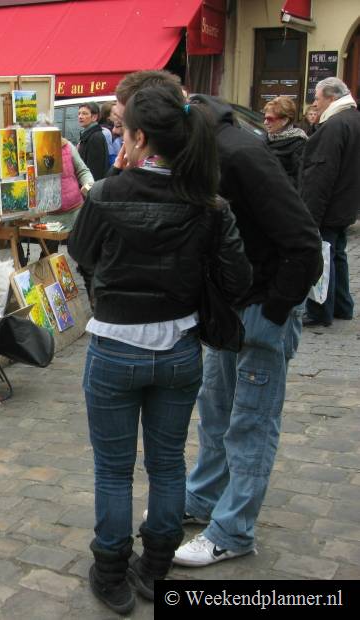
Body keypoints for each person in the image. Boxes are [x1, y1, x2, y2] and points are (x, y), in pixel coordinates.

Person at [68, 85, 252, 614]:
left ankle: (111, 570)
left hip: (115, 347)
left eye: (124, 131)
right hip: (178, 348)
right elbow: (237, 278)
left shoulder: (106, 193)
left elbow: (81, 254)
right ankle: (154, 567)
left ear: (139, 138)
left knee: (113, 469)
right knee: (168, 465)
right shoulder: (208, 204)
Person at [173, 93, 322, 568]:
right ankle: (202, 499)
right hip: (234, 309)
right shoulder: (208, 150)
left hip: (260, 309)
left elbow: (304, 242)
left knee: (250, 425)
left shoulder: (240, 152)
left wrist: (273, 310)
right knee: (215, 411)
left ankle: (234, 530)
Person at [300, 77, 360, 328]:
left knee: (323, 256)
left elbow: (321, 174)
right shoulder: (353, 119)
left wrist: (310, 216)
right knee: (336, 254)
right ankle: (343, 305)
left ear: (332, 98)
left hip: (331, 204)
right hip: (345, 203)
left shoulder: (336, 125)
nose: (315, 103)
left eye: (317, 98)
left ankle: (320, 310)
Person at [263, 96, 307, 189]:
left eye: (270, 119)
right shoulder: (267, 138)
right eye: (265, 118)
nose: (265, 122)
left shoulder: (299, 145)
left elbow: (299, 181)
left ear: (284, 120)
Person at [77, 102, 109, 180]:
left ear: (94, 117)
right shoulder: (88, 134)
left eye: (84, 113)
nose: (80, 116)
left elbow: (95, 170)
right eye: (79, 113)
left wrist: (88, 189)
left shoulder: (95, 137)